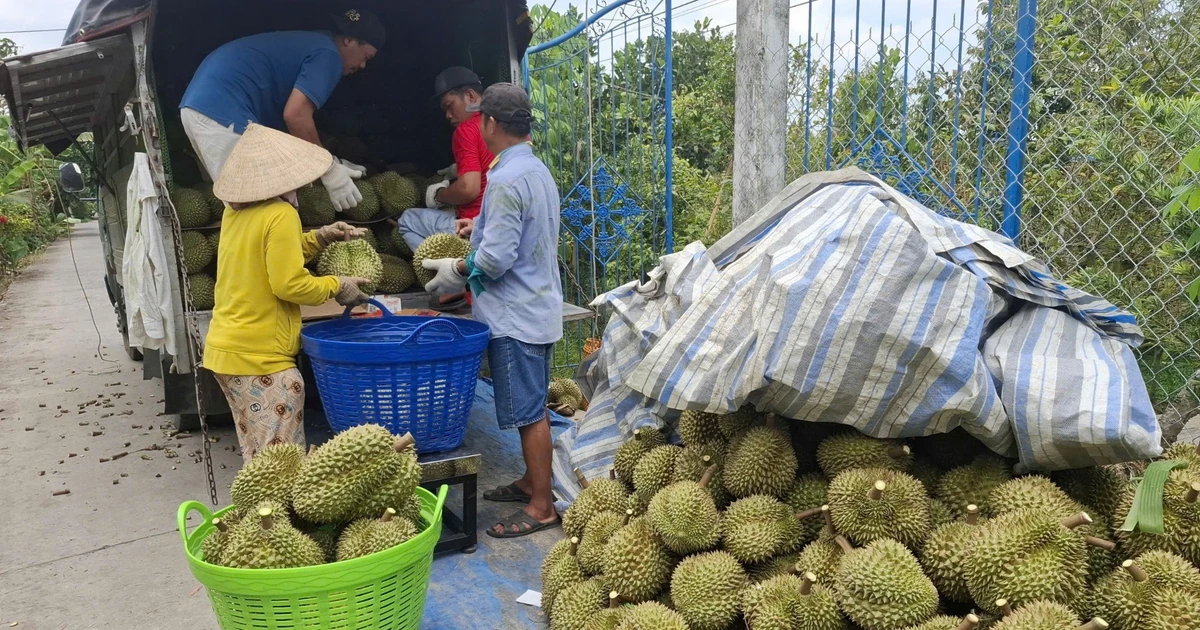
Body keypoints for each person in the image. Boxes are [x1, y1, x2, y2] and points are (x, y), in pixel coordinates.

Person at [421, 84, 563, 537]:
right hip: (537, 305)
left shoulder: (503, 180)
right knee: (533, 404)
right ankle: (530, 482)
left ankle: (542, 505)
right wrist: (476, 225)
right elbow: (520, 232)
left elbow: (497, 261)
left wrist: (458, 267)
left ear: (491, 125)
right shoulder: (534, 170)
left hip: (515, 316)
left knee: (528, 413)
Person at [204, 123, 372, 461]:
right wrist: (337, 285)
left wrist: (320, 237)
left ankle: (260, 515)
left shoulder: (236, 211)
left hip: (228, 350)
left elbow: (268, 256)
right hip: (262, 359)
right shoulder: (280, 213)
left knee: (260, 461)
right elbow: (288, 284)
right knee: (282, 469)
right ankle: (274, 516)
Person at [178, 8, 387, 212]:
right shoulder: (328, 55)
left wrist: (332, 161)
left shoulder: (313, 44)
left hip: (204, 107)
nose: (363, 66)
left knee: (256, 200)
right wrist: (328, 169)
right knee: (255, 208)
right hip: (223, 112)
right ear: (349, 40)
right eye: (366, 56)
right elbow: (296, 116)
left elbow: (289, 129)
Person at [398, 67, 496, 309]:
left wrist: (438, 196)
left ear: (471, 97)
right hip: (496, 222)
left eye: (449, 105)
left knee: (407, 219)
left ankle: (452, 286)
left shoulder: (465, 130)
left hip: (471, 225)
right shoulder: (498, 125)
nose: (447, 115)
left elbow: (468, 189)